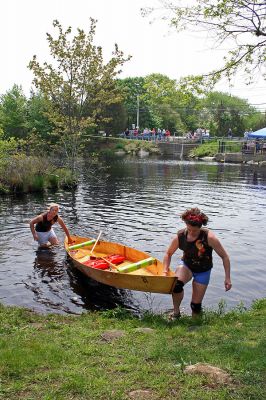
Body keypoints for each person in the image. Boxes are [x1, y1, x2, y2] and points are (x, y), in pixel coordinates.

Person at [163, 207, 232, 319]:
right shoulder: (180, 236)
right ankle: (176, 313)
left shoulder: (209, 237)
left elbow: (225, 257)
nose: (191, 233)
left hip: (203, 270)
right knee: (176, 285)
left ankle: (195, 322)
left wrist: (227, 278)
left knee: (195, 306)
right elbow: (168, 253)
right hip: (187, 266)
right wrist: (165, 269)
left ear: (200, 227)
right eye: (189, 229)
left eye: (195, 230)